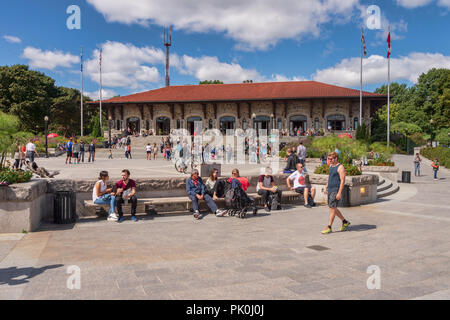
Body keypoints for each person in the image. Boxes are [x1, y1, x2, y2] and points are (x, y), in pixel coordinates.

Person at [322, 152, 351, 234]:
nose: (329, 160)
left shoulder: (340, 167)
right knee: (333, 208)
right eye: (328, 159)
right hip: (330, 189)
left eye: (331, 159)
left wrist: (339, 193)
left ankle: (329, 226)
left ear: (336, 158)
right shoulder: (331, 166)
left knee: (332, 209)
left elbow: (342, 181)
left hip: (336, 190)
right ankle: (344, 222)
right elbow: (330, 177)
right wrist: (326, 186)